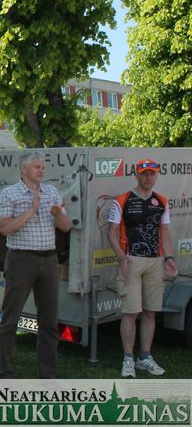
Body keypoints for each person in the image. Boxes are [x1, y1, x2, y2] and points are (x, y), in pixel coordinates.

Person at [0, 152, 71, 379]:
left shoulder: (52, 192)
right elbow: (4, 228)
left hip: (49, 260)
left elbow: (66, 227)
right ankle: (3, 374)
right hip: (21, 260)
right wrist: (31, 210)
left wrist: (57, 215)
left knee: (49, 321)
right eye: (37, 167)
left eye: (43, 167)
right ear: (24, 169)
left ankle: (47, 376)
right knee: (10, 319)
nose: (41, 171)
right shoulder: (9, 193)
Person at [108, 157, 177, 378]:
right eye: (144, 173)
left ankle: (145, 357)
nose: (148, 177)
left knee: (150, 312)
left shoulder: (162, 201)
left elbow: (164, 231)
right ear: (136, 175)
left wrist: (169, 258)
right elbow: (111, 231)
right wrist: (121, 257)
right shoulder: (123, 200)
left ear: (156, 176)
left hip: (155, 261)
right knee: (130, 312)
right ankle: (128, 359)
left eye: (152, 174)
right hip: (131, 260)